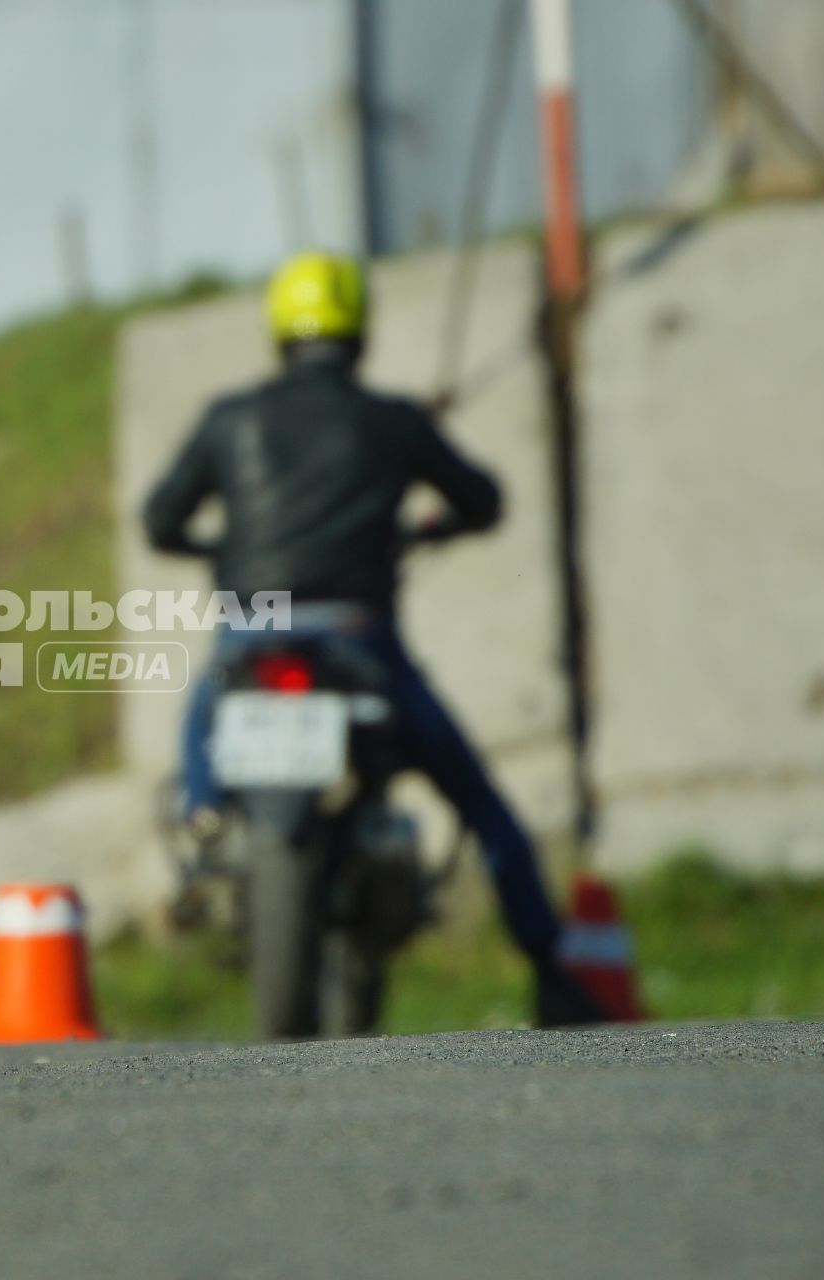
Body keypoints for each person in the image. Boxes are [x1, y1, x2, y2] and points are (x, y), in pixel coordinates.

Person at [142, 250, 605, 1027]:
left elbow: (160, 521)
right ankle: (550, 971)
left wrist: (217, 552)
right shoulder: (395, 421)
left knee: (204, 710)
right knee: (482, 803)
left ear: (278, 331)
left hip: (253, 630)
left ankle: (200, 822)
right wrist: (429, 518)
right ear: (360, 331)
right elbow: (486, 500)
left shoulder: (231, 418)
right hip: (359, 640)